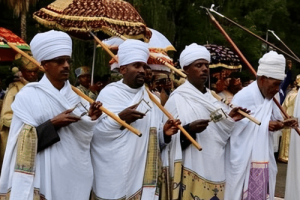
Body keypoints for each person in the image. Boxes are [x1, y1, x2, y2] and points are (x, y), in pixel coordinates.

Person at [0, 30, 102, 200]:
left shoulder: (78, 97)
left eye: (68, 61)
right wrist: (52, 124)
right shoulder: (28, 96)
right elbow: (20, 143)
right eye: (59, 61)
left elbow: (85, 136)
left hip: (75, 174)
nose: (66, 66)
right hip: (44, 171)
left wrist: (89, 119)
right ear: (45, 64)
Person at [91, 39, 180, 200]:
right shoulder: (109, 93)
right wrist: (120, 120)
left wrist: (164, 134)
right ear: (123, 69)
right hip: (114, 172)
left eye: (144, 66)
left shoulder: (153, 99)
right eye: (136, 65)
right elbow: (96, 135)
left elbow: (152, 140)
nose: (142, 70)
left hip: (142, 173)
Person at [163, 43, 247, 200]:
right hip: (191, 165)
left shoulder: (213, 99)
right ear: (186, 69)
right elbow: (168, 139)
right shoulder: (176, 99)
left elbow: (220, 133)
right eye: (198, 65)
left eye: (206, 65)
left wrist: (230, 118)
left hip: (216, 165)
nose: (204, 69)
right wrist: (189, 129)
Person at [224, 51, 297, 200]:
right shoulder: (243, 97)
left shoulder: (272, 95)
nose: (277, 89)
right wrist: (264, 125)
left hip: (264, 156)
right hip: (243, 161)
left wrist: (284, 123)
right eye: (275, 84)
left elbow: (276, 118)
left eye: (279, 85)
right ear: (263, 79)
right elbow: (232, 129)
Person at [0, 53, 39, 173]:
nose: (32, 74)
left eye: (35, 71)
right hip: (19, 139)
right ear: (22, 71)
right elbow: (6, 117)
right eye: (29, 71)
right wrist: (26, 124)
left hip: (41, 136)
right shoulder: (15, 89)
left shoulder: (42, 87)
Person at [278, 75, 300, 163]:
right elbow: (284, 106)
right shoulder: (292, 94)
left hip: (294, 118)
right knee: (287, 137)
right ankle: (285, 156)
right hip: (290, 117)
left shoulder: (292, 94)